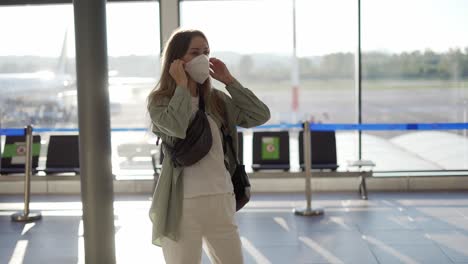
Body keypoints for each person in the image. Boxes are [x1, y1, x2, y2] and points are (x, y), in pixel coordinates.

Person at [147, 28, 270, 264]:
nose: (203, 58)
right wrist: (182, 87)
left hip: (221, 198)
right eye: (194, 53)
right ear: (176, 60)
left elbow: (259, 115)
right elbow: (177, 126)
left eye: (206, 52)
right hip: (181, 205)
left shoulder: (218, 101)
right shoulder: (160, 101)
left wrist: (229, 81)